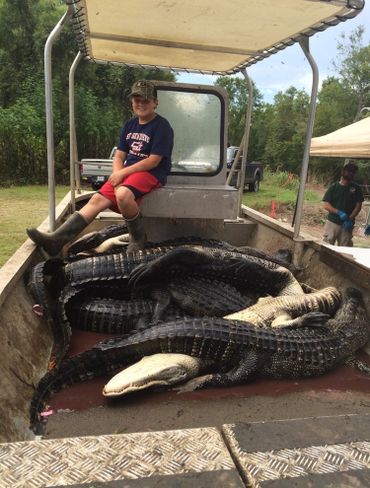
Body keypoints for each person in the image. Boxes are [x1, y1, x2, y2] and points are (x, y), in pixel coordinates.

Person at [27, 80, 174, 256]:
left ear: (155, 103)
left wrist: (122, 174)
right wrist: (117, 174)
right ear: (131, 102)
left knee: (123, 194)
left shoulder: (162, 126)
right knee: (96, 201)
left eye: (146, 100)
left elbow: (153, 161)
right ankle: (56, 240)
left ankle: (138, 238)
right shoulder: (129, 125)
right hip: (129, 172)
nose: (140, 104)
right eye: (137, 100)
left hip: (152, 172)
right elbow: (119, 155)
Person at [322, 162, 364, 247]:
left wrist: (350, 218)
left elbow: (358, 206)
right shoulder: (334, 187)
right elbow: (326, 205)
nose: (351, 174)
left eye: (353, 172)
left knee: (345, 249)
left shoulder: (357, 188)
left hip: (347, 225)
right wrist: (338, 212)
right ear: (343, 172)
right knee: (327, 246)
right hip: (332, 222)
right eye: (349, 171)